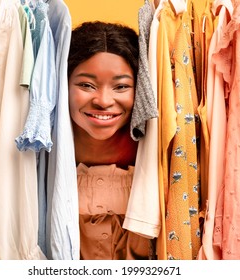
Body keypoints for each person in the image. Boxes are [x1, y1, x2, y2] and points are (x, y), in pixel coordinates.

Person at [67, 21, 151, 260]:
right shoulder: (41, 146)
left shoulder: (157, 143)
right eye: (86, 85)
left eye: (121, 86)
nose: (103, 101)